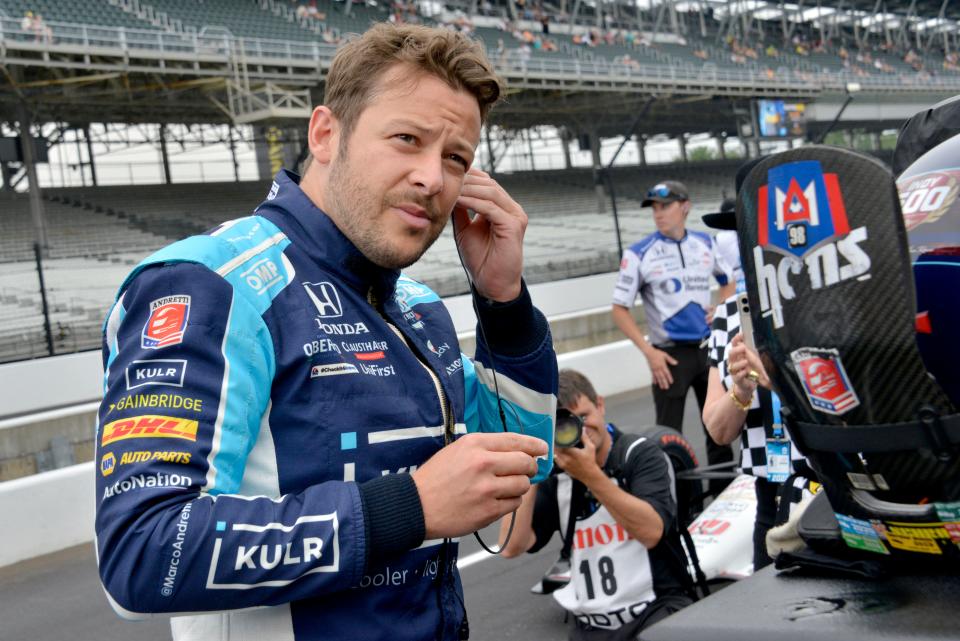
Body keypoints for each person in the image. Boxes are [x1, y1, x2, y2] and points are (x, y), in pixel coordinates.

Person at [94, 24, 558, 641]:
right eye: (406, 139)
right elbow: (143, 552)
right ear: (325, 134)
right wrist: (411, 507)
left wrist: (504, 304)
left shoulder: (419, 307)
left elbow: (522, 465)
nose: (433, 178)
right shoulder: (211, 286)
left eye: (456, 158)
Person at [500, 369, 694, 640]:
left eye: (583, 417)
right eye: (564, 424)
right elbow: (511, 546)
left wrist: (589, 474)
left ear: (601, 405)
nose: (579, 430)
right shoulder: (558, 475)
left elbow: (652, 532)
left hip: (656, 610)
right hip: (591, 626)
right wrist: (531, 470)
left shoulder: (639, 454)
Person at [700, 195, 817, 571]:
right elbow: (718, 432)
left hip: (827, 485)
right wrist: (741, 390)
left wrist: (781, 380)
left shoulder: (821, 300)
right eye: (740, 233)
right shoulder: (729, 315)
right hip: (770, 493)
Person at [611, 180, 735, 487]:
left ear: (685, 206)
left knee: (719, 430)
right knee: (668, 437)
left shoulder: (706, 243)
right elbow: (618, 308)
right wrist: (650, 353)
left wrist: (720, 308)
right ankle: (681, 506)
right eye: (654, 208)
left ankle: (726, 497)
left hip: (709, 349)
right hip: (668, 355)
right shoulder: (639, 253)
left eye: (665, 206)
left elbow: (728, 281)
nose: (658, 213)